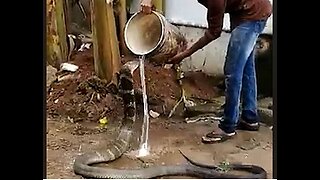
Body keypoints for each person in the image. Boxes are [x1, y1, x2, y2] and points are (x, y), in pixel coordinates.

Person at [141, 0, 272, 143]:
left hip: (253, 14)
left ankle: (228, 126)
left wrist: (184, 55)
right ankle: (249, 117)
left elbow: (214, 32)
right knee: (246, 67)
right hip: (243, 12)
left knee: (232, 71)